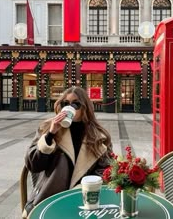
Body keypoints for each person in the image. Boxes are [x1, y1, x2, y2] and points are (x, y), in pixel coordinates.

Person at [22, 86, 112, 217]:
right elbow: (33, 165)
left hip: (85, 199)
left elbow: (106, 170)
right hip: (49, 199)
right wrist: (50, 135)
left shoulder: (99, 136)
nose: (69, 107)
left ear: (85, 108)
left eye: (75, 104)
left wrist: (82, 188)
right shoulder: (47, 127)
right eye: (65, 103)